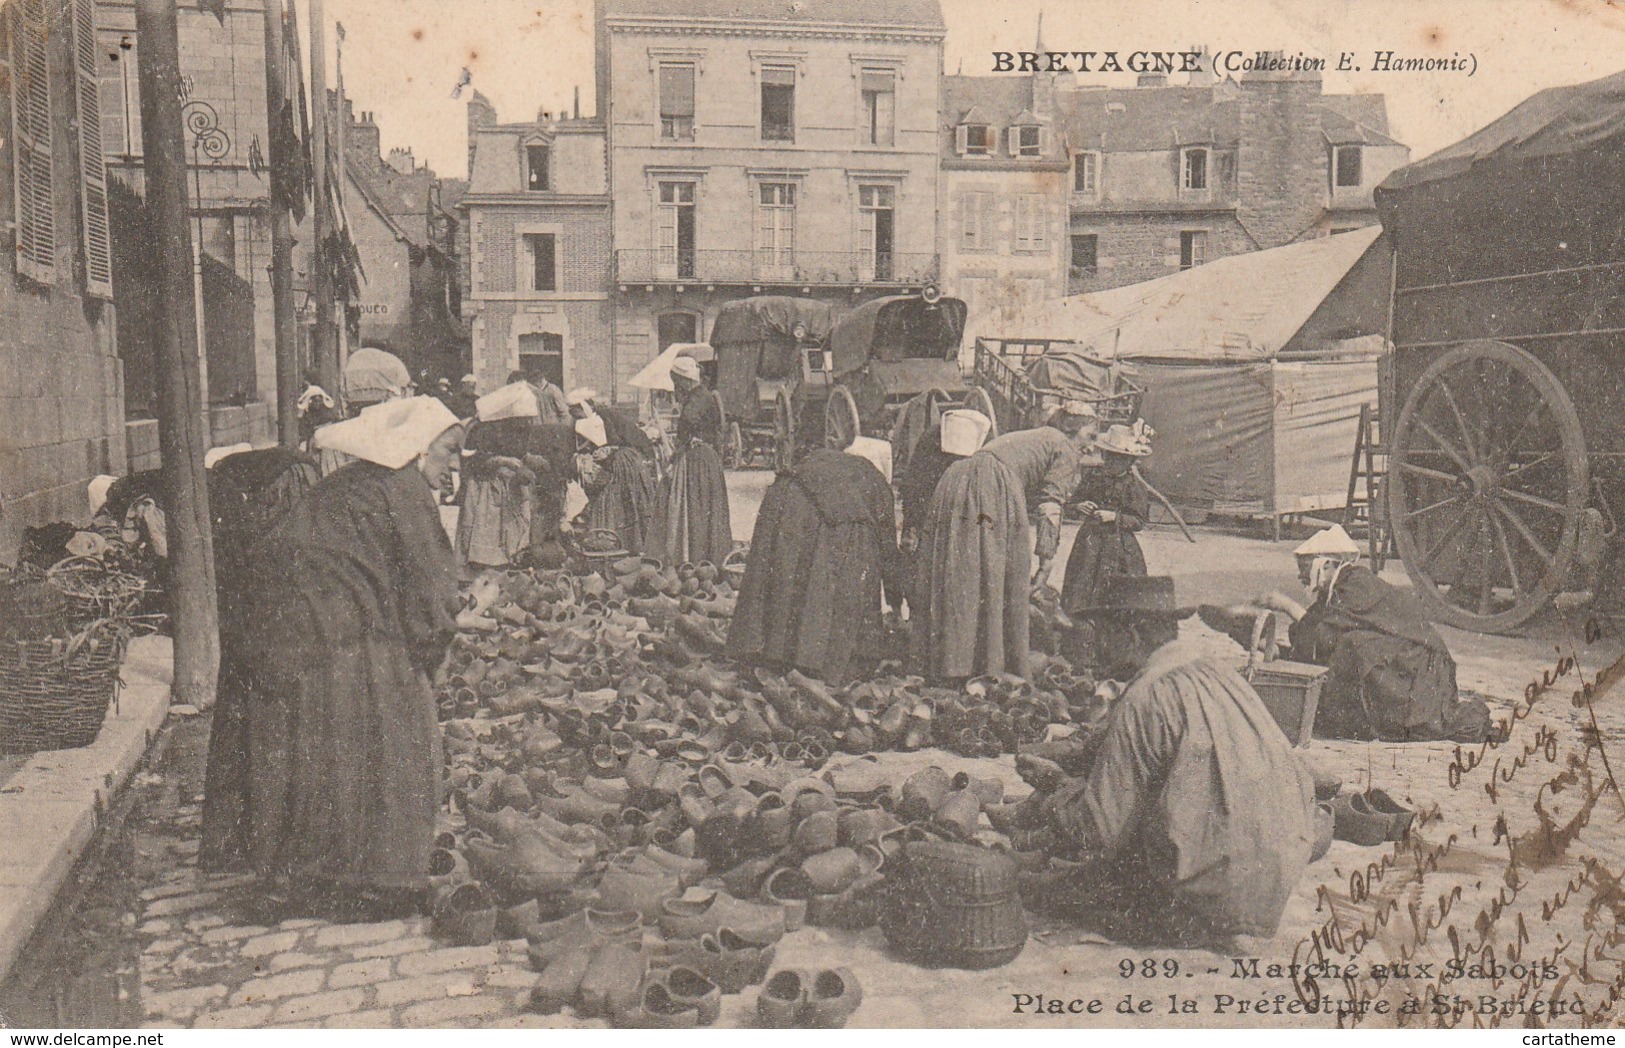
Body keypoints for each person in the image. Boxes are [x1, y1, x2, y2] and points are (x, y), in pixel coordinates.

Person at [214, 397, 465, 920]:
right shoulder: (404, 491)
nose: (452, 467)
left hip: (289, 625)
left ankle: (299, 871)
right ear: (417, 452)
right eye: (447, 453)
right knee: (397, 736)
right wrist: (435, 648)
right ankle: (379, 877)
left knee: (315, 744)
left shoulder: (353, 484)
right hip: (328, 625)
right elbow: (429, 586)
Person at [1023, 575, 1320, 947]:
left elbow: (1097, 830)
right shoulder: (1217, 671)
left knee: (1049, 889)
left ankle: (1199, 919)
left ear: (1131, 636)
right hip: (1274, 880)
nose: (1095, 644)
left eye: (1102, 632)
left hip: (1212, 896)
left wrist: (1054, 794)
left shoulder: (1145, 697)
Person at [200, 447, 323, 874]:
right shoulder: (286, 511)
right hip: (267, 645)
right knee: (266, 742)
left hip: (247, 643)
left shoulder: (244, 520)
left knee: (239, 739)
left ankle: (230, 841)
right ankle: (268, 843)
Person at [913, 402, 1095, 680]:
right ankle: (986, 664)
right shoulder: (1063, 446)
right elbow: (1050, 507)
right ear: (1073, 428)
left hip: (956, 480)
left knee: (965, 569)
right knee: (994, 569)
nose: (1092, 447)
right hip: (989, 486)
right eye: (1090, 436)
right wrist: (1046, 560)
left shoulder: (1039, 436)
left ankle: (953, 660)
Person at [1264, 527, 1494, 743]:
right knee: (1353, 645)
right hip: (1407, 660)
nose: (1300, 576)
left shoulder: (1357, 584)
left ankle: (1365, 719)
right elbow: (1314, 631)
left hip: (1422, 667)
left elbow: (1324, 634)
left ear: (1325, 566)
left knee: (1354, 646)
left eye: (1305, 568)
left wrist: (1286, 606)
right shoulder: (1338, 588)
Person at [727, 449, 904, 686]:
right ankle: (811, 664)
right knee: (826, 583)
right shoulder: (875, 482)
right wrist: (896, 602)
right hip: (809, 504)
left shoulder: (825, 461)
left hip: (783, 495)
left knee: (785, 574)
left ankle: (773, 654)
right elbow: (888, 550)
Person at [1061, 421, 1152, 617]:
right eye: (1108, 457)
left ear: (1129, 461)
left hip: (1118, 546)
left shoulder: (1134, 486)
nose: (1110, 462)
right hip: (1089, 542)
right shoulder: (1093, 477)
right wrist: (1078, 506)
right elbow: (1069, 505)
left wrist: (1115, 517)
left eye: (1117, 459)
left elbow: (1138, 522)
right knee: (1081, 583)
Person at [455, 381, 540, 573]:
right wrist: (503, 461)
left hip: (509, 487)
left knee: (513, 532)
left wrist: (528, 459)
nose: (527, 423)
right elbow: (474, 460)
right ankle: (483, 569)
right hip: (485, 488)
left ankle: (509, 565)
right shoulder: (482, 429)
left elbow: (517, 451)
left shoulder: (514, 429)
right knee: (487, 531)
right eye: (523, 418)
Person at [656, 356, 732, 567]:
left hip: (700, 460)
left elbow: (688, 422)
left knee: (696, 506)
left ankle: (697, 557)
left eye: (677, 383)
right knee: (701, 506)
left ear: (683, 381)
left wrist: (676, 452)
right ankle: (699, 556)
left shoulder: (698, 398)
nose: (676, 388)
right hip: (705, 457)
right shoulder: (702, 395)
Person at [571, 391, 659, 555]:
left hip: (628, 459)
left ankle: (625, 542)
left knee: (619, 499)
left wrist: (606, 451)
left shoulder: (603, 416)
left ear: (586, 407)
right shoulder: (595, 418)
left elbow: (616, 442)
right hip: (620, 459)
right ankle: (626, 543)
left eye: (579, 415)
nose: (579, 419)